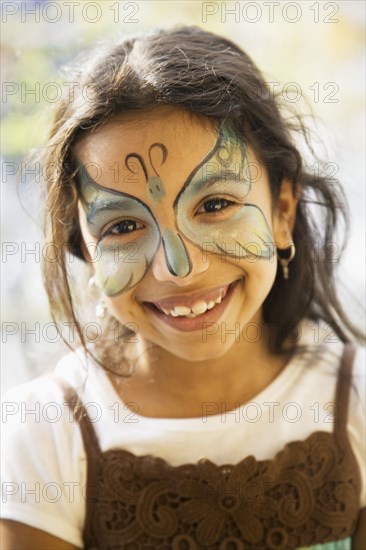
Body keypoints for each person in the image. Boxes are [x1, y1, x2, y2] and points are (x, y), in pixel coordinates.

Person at [1, 26, 365, 550]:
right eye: (122, 227)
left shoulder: (355, 403)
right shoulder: (46, 434)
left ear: (283, 211)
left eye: (215, 205)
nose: (179, 268)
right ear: (85, 250)